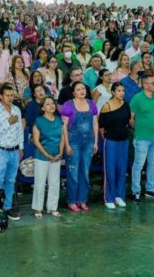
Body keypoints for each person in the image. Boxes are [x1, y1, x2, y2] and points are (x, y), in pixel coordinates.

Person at [60, 81, 99, 212]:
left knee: (85, 172)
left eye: (83, 89)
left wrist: (95, 142)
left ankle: (82, 200)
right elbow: (64, 126)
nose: (81, 91)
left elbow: (95, 123)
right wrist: (67, 145)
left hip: (88, 141)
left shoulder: (91, 104)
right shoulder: (68, 105)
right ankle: (71, 201)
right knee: (73, 173)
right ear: (73, 92)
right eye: (78, 89)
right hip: (74, 142)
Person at [0, 84, 23, 221]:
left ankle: (7, 207)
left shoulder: (17, 110)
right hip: (0, 151)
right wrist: (8, 122)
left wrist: (21, 147)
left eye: (12, 95)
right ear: (1, 96)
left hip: (14, 151)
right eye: (7, 95)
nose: (10, 98)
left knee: (11, 181)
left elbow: (20, 129)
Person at [129, 74, 154, 203]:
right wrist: (138, 130)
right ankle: (135, 191)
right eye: (153, 83)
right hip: (142, 138)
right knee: (138, 165)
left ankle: (150, 189)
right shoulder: (137, 99)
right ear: (145, 85)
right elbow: (131, 118)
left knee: (153, 164)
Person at [31, 97, 64, 218]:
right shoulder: (39, 121)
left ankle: (52, 207)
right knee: (40, 182)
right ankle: (38, 208)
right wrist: (46, 154)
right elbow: (36, 141)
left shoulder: (59, 120)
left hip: (56, 155)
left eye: (52, 103)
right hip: (42, 156)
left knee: (54, 182)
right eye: (48, 104)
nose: (51, 106)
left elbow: (62, 138)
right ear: (43, 108)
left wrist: (60, 152)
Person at [99, 82, 130, 209]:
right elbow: (101, 126)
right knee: (110, 170)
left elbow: (127, 122)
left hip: (124, 140)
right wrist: (105, 139)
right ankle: (109, 198)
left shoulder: (126, 105)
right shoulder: (106, 106)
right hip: (110, 141)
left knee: (122, 169)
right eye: (118, 90)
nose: (121, 93)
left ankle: (119, 196)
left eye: (123, 90)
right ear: (112, 92)